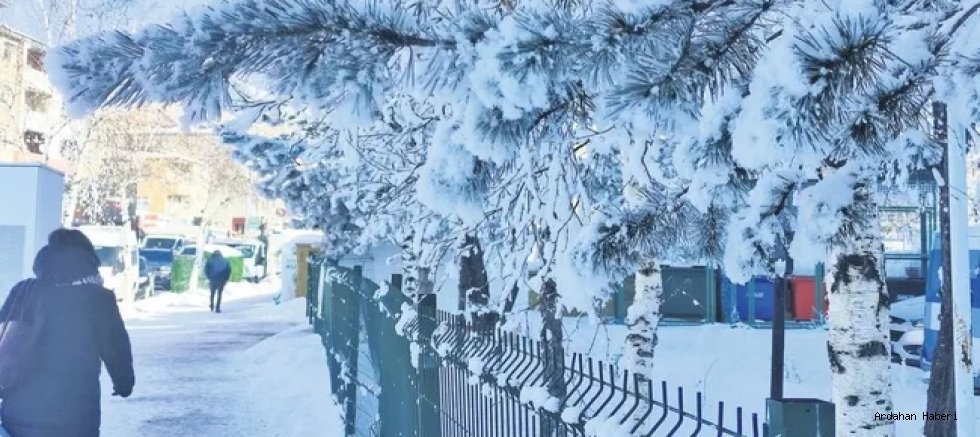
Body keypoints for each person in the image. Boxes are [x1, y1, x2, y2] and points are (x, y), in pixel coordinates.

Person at [0, 229, 134, 437]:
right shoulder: (99, 299)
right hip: (76, 416)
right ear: (87, 262)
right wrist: (124, 383)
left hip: (19, 412)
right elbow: (116, 349)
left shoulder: (24, 290)